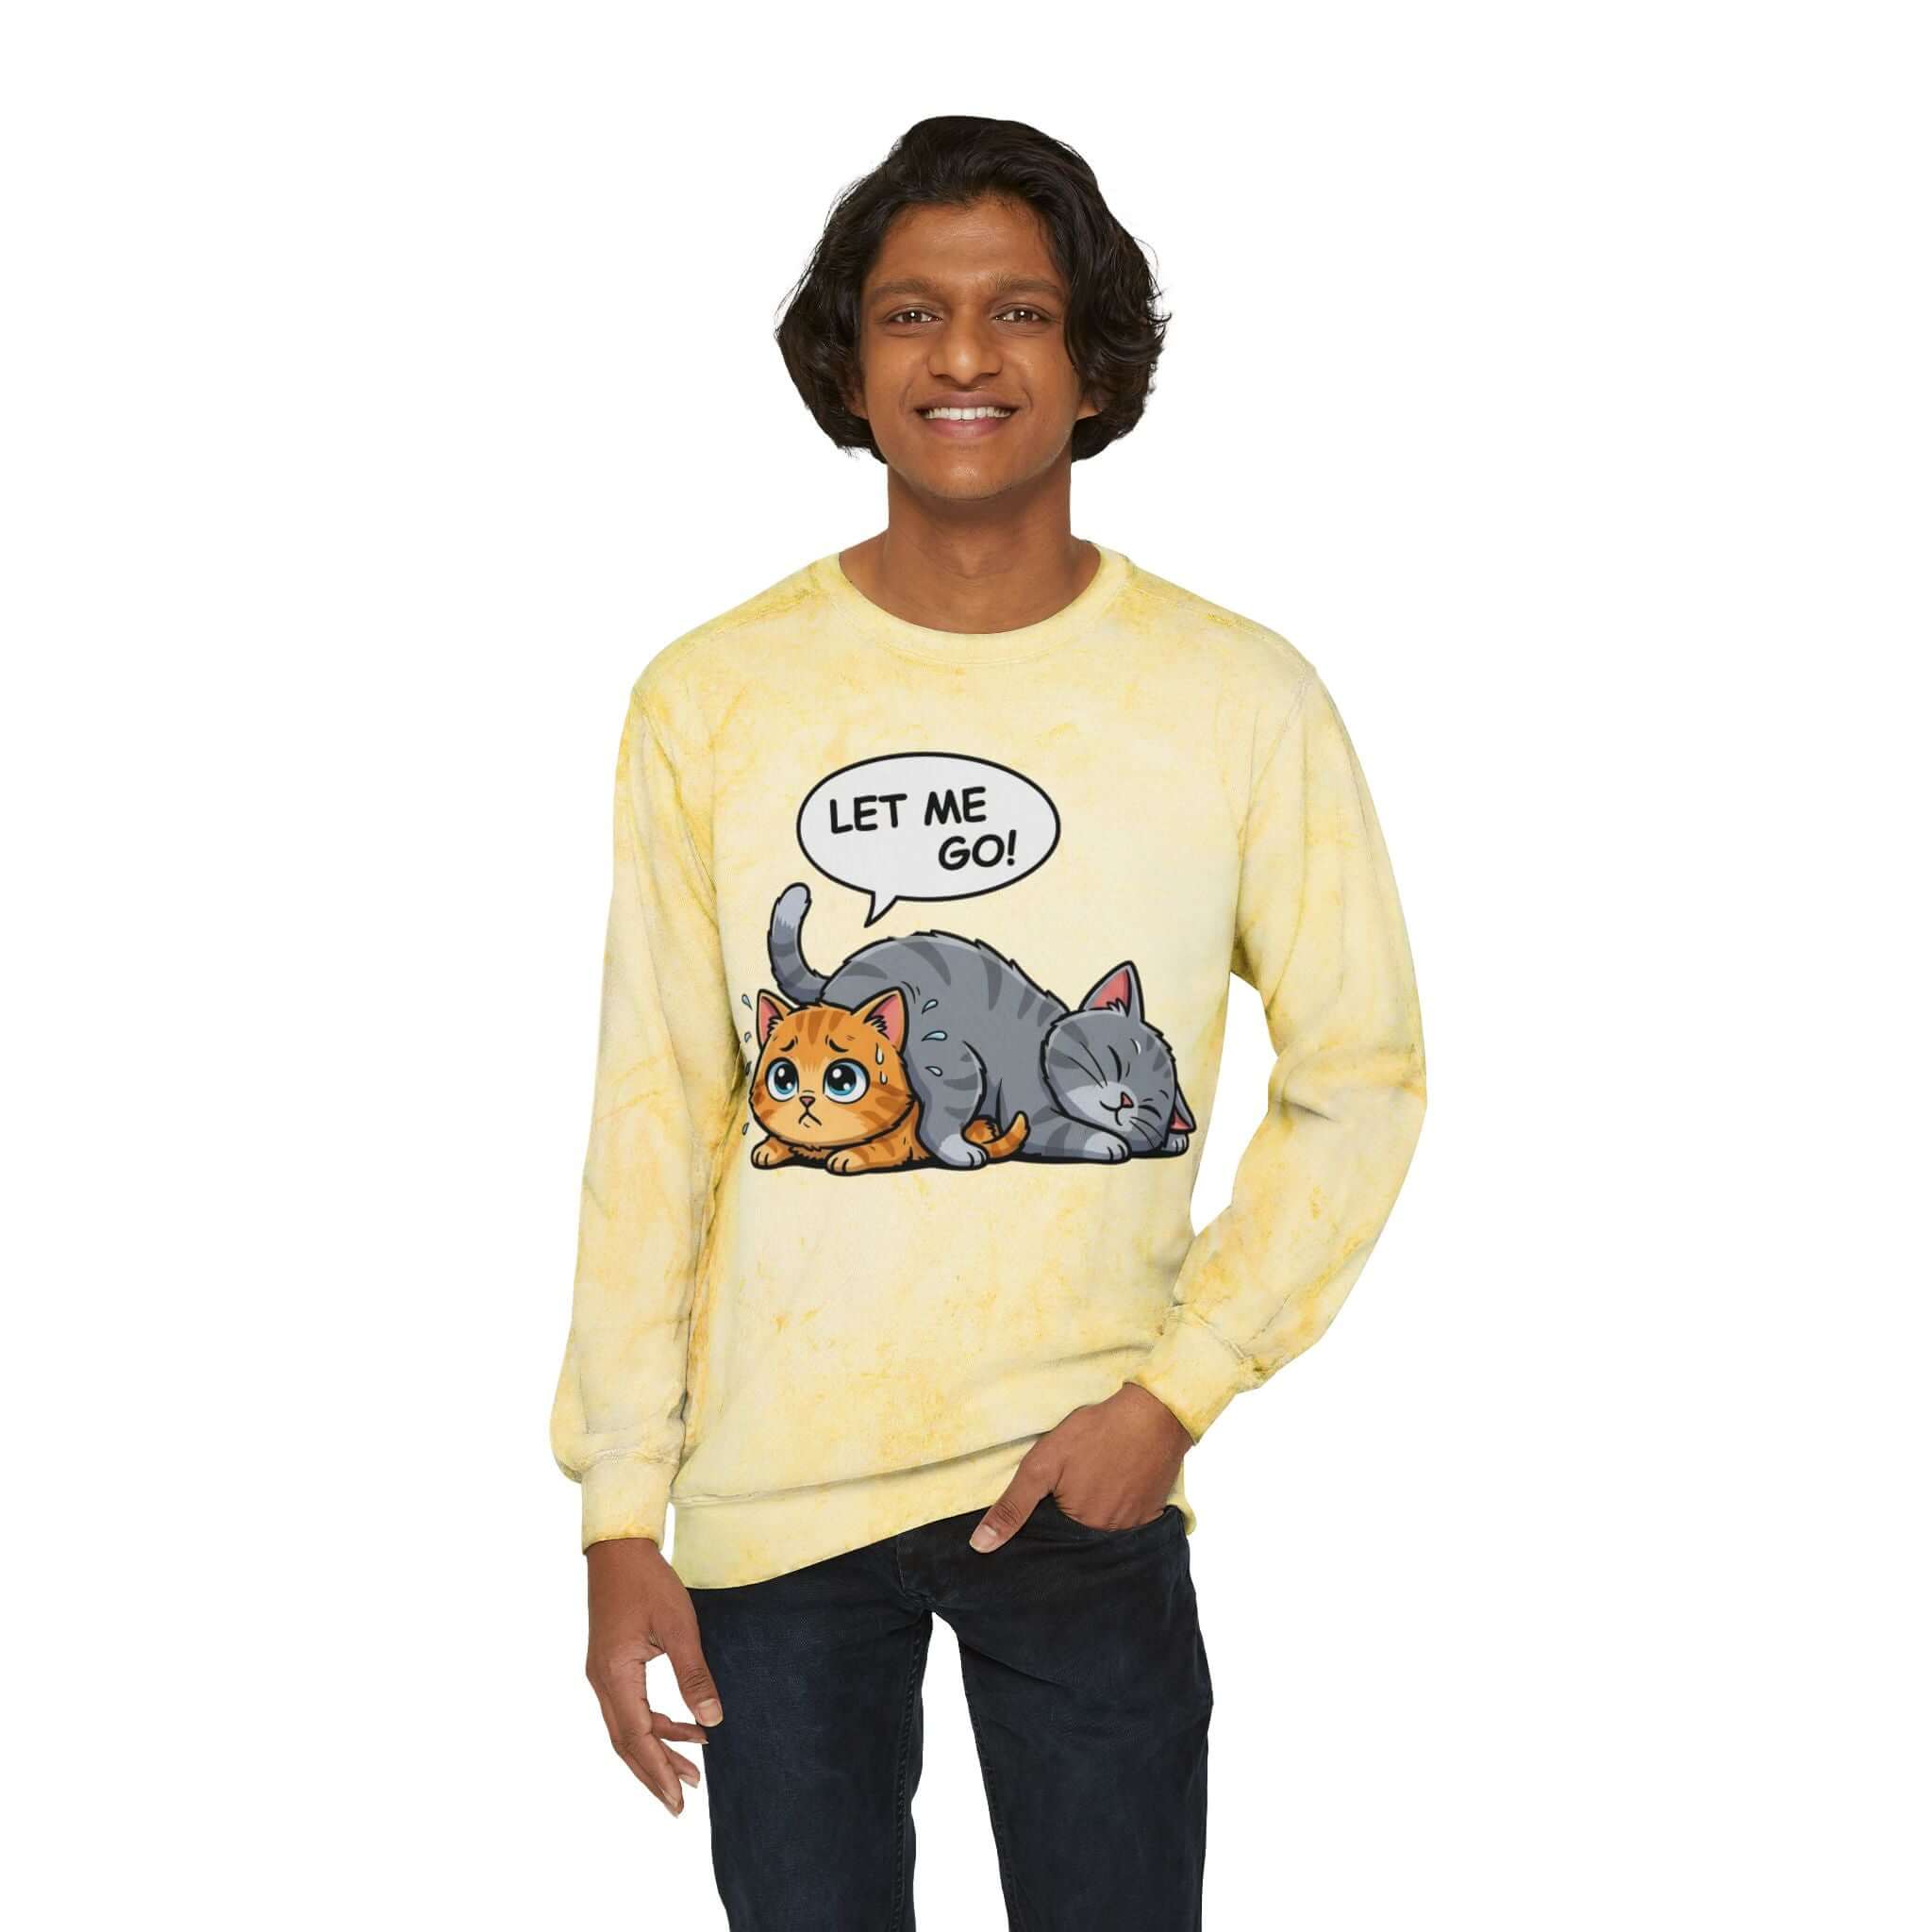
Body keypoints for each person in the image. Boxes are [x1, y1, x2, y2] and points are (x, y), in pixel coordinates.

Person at [552, 115, 1426, 1929]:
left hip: (1081, 1489)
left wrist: (1176, 1398)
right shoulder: (711, 698)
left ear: (1093, 364)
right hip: (771, 1511)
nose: (964, 354)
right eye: (911, 313)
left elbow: (1361, 1075)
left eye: (1020, 310)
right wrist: (620, 1509)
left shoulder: (1236, 697)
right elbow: (658, 1106)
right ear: (847, 363)